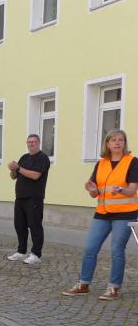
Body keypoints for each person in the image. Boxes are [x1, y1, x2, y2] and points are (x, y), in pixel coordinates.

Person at [63, 129, 138, 301]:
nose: (117, 142)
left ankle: (113, 287)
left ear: (124, 143)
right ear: (107, 144)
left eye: (120, 140)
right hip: (102, 213)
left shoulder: (132, 162)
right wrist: (91, 189)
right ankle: (83, 285)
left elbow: (132, 190)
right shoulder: (101, 164)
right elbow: (95, 193)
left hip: (125, 214)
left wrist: (120, 189)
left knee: (117, 250)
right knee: (90, 248)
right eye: (113, 140)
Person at [7, 134, 51, 264]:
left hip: (34, 197)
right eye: (29, 142)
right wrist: (13, 169)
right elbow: (13, 176)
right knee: (19, 225)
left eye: (34, 142)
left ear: (39, 143)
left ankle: (36, 254)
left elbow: (35, 175)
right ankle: (21, 251)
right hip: (20, 197)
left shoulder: (42, 158)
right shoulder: (24, 157)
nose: (31, 144)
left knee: (35, 225)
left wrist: (18, 168)